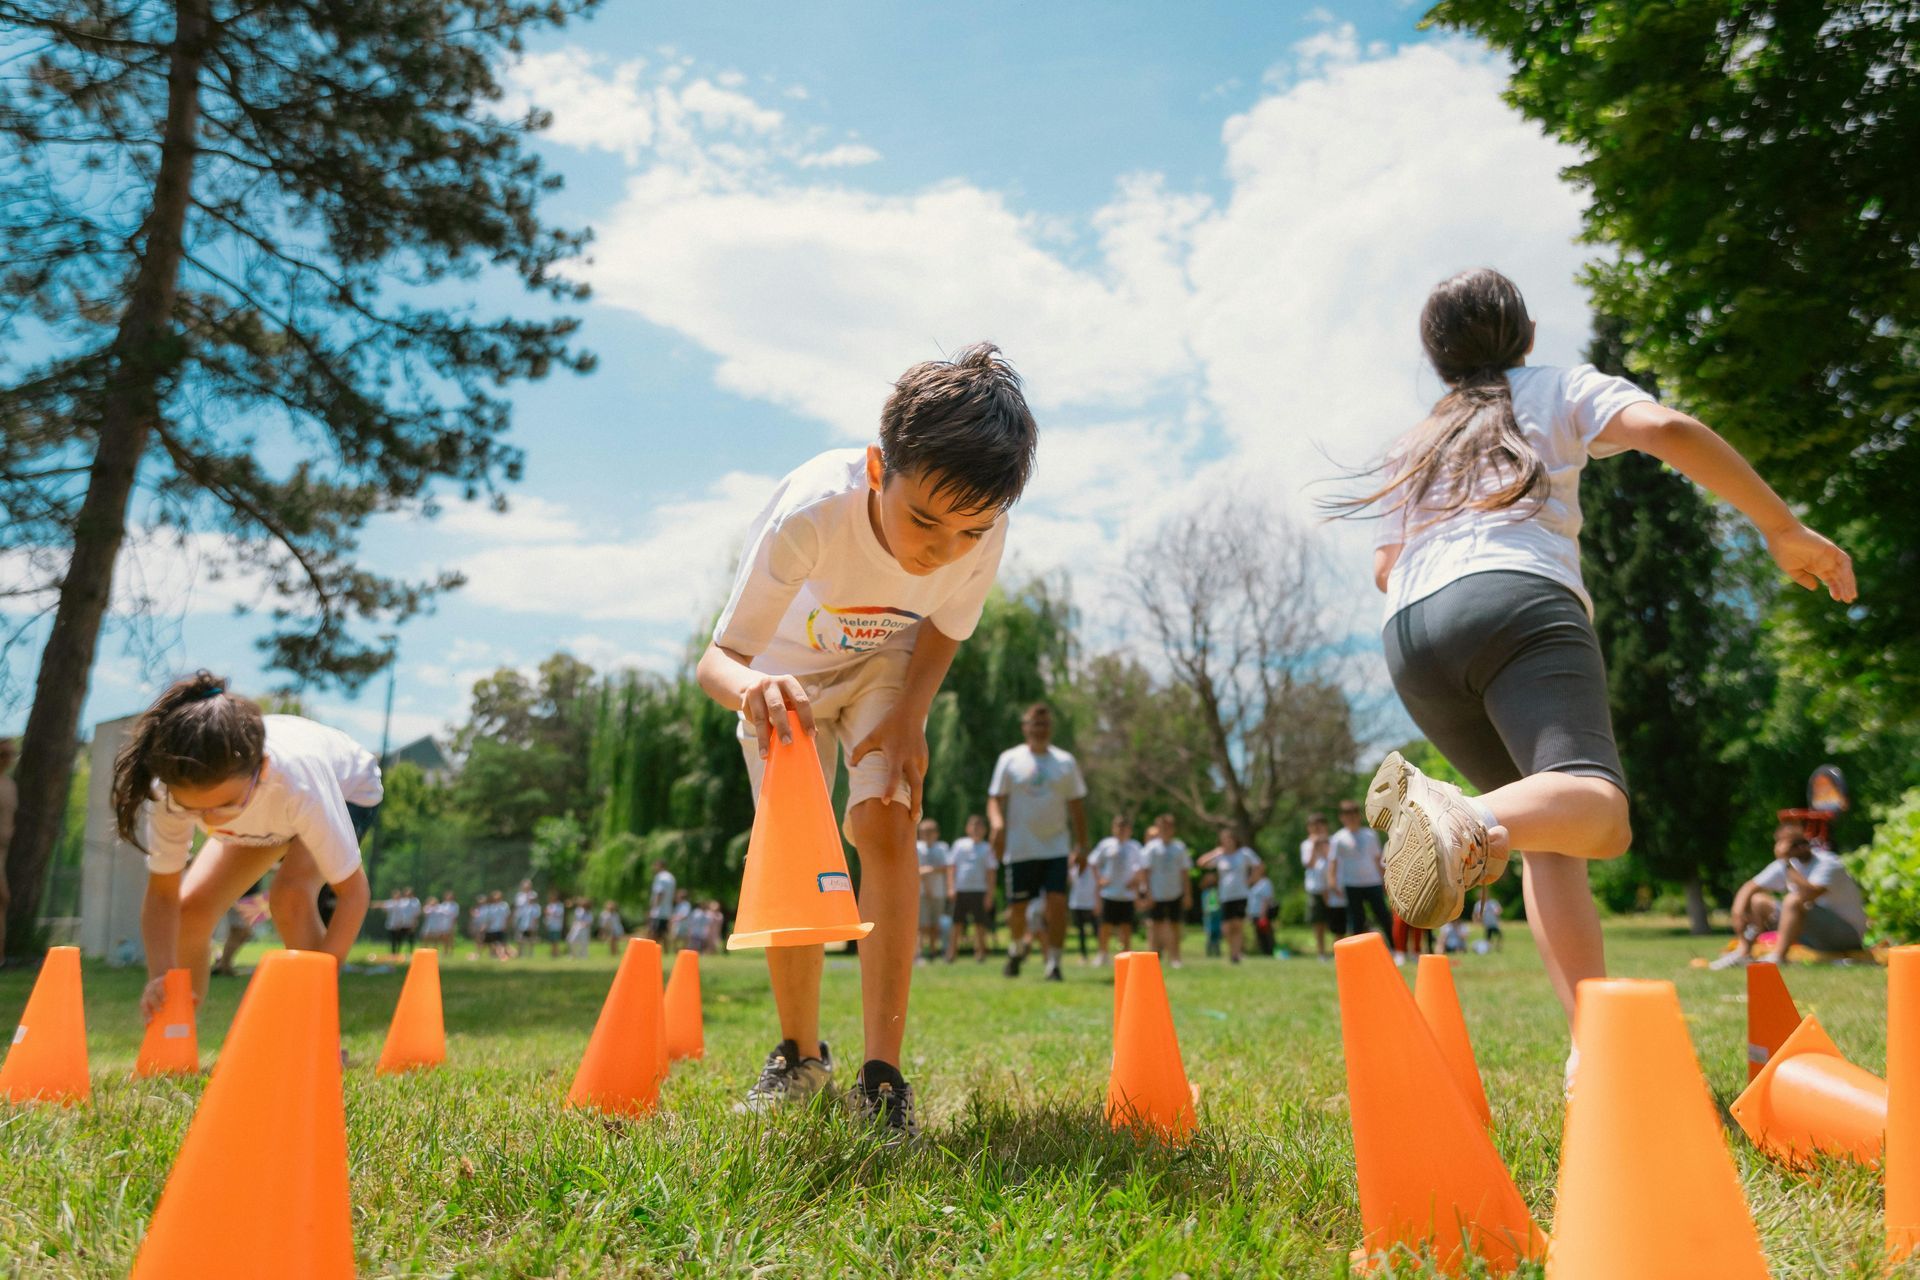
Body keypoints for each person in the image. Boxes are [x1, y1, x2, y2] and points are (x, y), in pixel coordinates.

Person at [1347, 269, 1852, 1048]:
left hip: (1411, 632)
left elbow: (1386, 565)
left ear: (1438, 359)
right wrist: (1782, 528)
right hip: (1514, 600)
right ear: (1529, 333)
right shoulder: (1553, 386)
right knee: (1601, 812)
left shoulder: (1414, 444)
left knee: (1552, 834)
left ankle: (1599, 1050)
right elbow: (1667, 429)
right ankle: (1463, 820)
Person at [693, 343, 1036, 1137]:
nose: (940, 549)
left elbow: (947, 625)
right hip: (783, 681)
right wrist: (757, 694)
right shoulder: (812, 514)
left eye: (968, 530)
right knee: (799, 846)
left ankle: (883, 1077)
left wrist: (910, 717)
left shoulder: (980, 535)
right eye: (923, 520)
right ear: (880, 469)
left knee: (886, 816)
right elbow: (718, 661)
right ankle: (798, 1054)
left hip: (887, 663)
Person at [113, 672, 380, 1020]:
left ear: (262, 769)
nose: (211, 822)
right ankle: (175, 1035)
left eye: (224, 806)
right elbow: (163, 895)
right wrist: (161, 977)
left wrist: (322, 982)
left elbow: (353, 893)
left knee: (290, 896)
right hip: (266, 810)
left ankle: (319, 1037)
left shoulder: (298, 784)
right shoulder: (169, 793)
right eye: (194, 809)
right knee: (190, 910)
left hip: (348, 789)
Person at [989, 702, 1089, 983]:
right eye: (1034, 723)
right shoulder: (1010, 759)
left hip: (1056, 846)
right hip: (1020, 848)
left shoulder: (1065, 762)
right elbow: (995, 798)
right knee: (1017, 911)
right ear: (1025, 727)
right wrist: (997, 824)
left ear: (1050, 728)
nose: (1039, 729)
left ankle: (1054, 964)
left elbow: (1077, 807)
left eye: (1044, 724)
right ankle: (1016, 947)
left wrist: (1082, 846)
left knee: (1056, 904)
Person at [1712, 822, 1869, 968]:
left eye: (1801, 843)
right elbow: (1750, 887)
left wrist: (1786, 862)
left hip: (1846, 935)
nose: (1799, 848)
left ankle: (1778, 957)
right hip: (1814, 934)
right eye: (1792, 845)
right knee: (1758, 901)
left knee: (1793, 900)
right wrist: (1739, 911)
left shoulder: (1828, 863)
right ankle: (1744, 953)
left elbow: (1809, 894)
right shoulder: (1787, 864)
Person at [1198, 826, 1262, 965]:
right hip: (1225, 895)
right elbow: (1201, 863)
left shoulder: (1244, 853)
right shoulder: (1220, 856)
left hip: (1240, 894)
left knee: (1238, 925)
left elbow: (1259, 865)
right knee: (1226, 928)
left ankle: (1236, 955)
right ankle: (1232, 950)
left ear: (1235, 840)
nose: (1227, 842)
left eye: (1229, 839)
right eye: (1224, 840)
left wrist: (1251, 880)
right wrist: (1216, 852)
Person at [1331, 800, 1392, 941]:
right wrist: (1333, 883)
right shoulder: (1338, 838)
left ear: (1359, 816)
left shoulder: (1370, 835)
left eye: (1353, 814)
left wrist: (1385, 880)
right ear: (1342, 817)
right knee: (1356, 919)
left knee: (1383, 915)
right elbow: (1333, 863)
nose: (1351, 817)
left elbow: (1378, 860)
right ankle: (1357, 952)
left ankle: (1395, 949)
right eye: (1347, 814)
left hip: (1373, 881)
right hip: (1352, 883)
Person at [1089, 815, 1144, 966]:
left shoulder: (1135, 846)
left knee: (1126, 926)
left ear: (1129, 830)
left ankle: (1125, 956)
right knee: (1105, 925)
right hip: (1109, 893)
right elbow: (1093, 862)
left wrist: (1136, 880)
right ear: (1113, 828)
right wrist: (1100, 879)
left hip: (1127, 895)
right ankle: (1102, 954)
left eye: (1124, 827)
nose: (1121, 830)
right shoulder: (1106, 845)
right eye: (1118, 826)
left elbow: (1142, 867)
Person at [1143, 814, 1193, 968]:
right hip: (1156, 893)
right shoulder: (1151, 848)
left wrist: (1187, 894)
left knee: (1174, 926)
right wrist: (1148, 893)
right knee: (1154, 926)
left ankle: (1175, 958)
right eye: (1162, 827)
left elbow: (1185, 873)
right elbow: (1146, 872)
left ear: (1173, 829)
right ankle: (1152, 959)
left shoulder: (1179, 847)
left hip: (1175, 892)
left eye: (1168, 827)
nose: (1165, 830)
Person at [947, 814, 997, 962]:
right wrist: (950, 887)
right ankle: (951, 953)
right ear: (967, 828)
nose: (976, 829)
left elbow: (991, 873)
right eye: (973, 826)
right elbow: (951, 867)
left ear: (985, 830)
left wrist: (990, 894)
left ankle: (980, 952)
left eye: (979, 826)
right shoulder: (959, 845)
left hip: (979, 890)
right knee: (957, 923)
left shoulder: (987, 848)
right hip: (960, 889)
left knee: (980, 923)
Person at [915, 818, 953, 964]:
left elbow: (947, 867)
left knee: (935, 924)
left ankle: (932, 952)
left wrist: (931, 869)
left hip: (938, 891)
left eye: (930, 832)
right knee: (921, 925)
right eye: (924, 832)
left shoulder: (942, 848)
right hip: (921, 892)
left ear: (936, 833)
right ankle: (919, 953)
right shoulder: (917, 847)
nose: (926, 835)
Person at [1300, 814, 1337, 959]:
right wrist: (1315, 847)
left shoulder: (1334, 841)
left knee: (1336, 922)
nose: (1317, 829)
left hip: (1333, 888)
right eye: (1313, 826)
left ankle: (1337, 951)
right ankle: (1321, 952)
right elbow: (1308, 864)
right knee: (1318, 922)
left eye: (1320, 825)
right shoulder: (1306, 844)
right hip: (1315, 887)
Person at [1066, 848, 1098, 962]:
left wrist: (1097, 903)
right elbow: (1069, 882)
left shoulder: (1092, 868)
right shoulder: (1074, 870)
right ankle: (1083, 955)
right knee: (1081, 932)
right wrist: (1069, 865)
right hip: (1076, 904)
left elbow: (1097, 885)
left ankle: (1100, 953)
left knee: (1096, 930)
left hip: (1090, 904)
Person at [378, 886, 422, 955]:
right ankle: (397, 952)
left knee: (410, 938)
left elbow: (417, 913)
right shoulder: (403, 901)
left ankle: (411, 952)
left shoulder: (415, 901)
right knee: (399, 939)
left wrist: (415, 922)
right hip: (403, 923)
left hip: (411, 923)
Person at [1247, 864, 1277, 957]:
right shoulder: (1255, 884)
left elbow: (1266, 899)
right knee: (1259, 935)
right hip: (1255, 914)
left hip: (1262, 914)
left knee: (1266, 934)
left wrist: (1262, 915)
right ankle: (1264, 952)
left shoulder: (1265, 883)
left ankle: (1270, 952)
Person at [648, 861, 677, 944]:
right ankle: (666, 951)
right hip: (667, 910)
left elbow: (660, 893)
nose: (653, 868)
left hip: (659, 911)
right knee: (664, 933)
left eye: (655, 866)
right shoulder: (671, 877)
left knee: (654, 932)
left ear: (660, 866)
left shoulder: (660, 877)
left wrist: (653, 907)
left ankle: (652, 949)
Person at [511, 889, 540, 959]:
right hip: (523, 925)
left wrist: (533, 926)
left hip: (531, 926)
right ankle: (521, 953)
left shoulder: (536, 907)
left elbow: (536, 918)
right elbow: (519, 915)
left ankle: (530, 954)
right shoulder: (525, 907)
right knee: (521, 939)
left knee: (531, 940)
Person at [1200, 872, 1223, 957]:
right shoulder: (1205, 892)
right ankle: (1209, 952)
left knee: (1217, 934)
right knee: (1210, 934)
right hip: (1209, 916)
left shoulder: (1217, 891)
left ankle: (1217, 952)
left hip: (1217, 916)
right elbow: (1204, 905)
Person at [544, 890, 567, 958]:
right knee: (551, 940)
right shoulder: (549, 905)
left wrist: (550, 913)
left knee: (556, 940)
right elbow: (547, 915)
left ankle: (556, 953)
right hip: (550, 925)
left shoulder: (560, 905)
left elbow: (558, 914)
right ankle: (553, 953)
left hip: (557, 926)